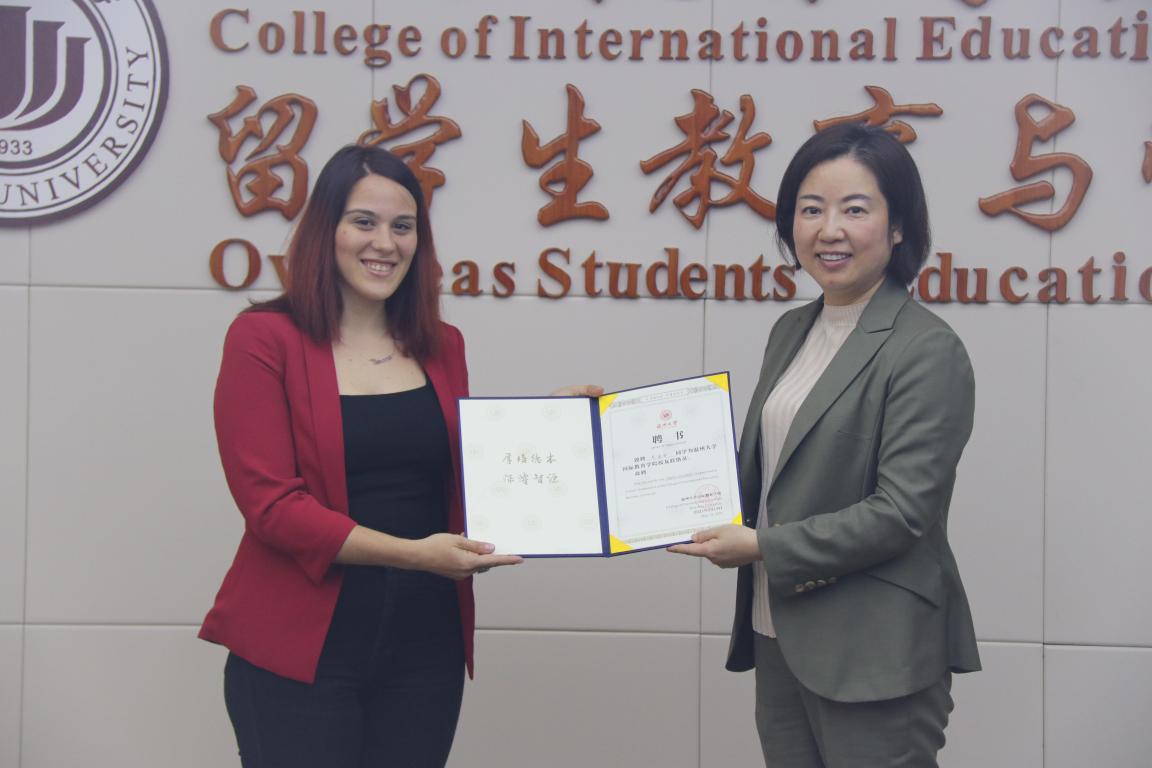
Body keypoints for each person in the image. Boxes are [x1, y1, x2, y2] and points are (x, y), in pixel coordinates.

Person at [200, 145, 533, 768]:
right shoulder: (263, 339)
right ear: (326, 230)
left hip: (424, 644)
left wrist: (555, 427)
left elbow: (464, 466)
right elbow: (272, 507)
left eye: (402, 226)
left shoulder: (442, 345)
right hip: (299, 647)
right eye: (364, 222)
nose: (385, 243)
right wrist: (415, 555)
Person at [670, 123, 980, 768]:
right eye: (810, 210)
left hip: (872, 647)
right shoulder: (793, 330)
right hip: (778, 628)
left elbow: (902, 513)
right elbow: (773, 471)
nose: (828, 230)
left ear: (899, 227)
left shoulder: (926, 349)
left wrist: (763, 546)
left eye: (855, 210)